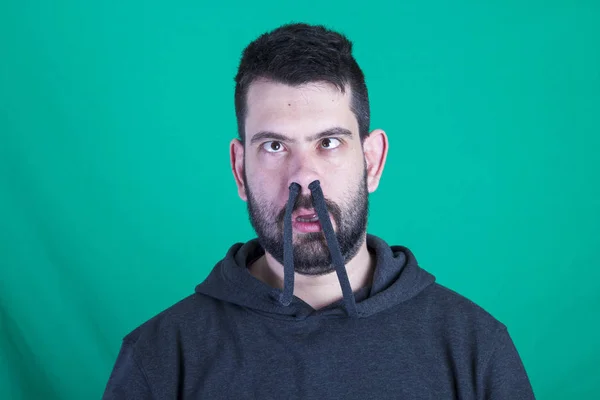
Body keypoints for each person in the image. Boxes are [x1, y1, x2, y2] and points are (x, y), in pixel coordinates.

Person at [102, 23, 535, 399]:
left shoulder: (475, 347)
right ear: (239, 169)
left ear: (372, 162)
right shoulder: (159, 357)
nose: (303, 178)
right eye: (274, 146)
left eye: (328, 143)